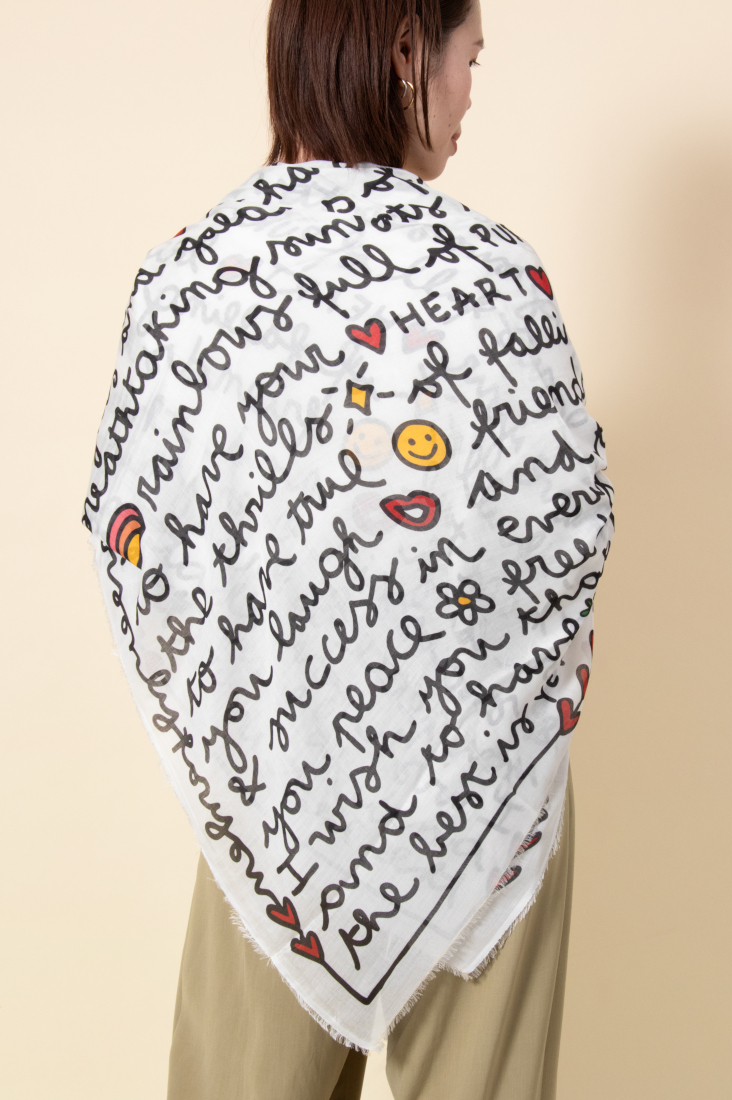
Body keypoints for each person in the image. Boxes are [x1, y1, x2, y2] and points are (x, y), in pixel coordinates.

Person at [82, 1, 613, 1097]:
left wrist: (264, 692)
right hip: (488, 793)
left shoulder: (196, 279)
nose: (470, 94)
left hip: (278, 787)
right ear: (408, 50)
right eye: (470, 58)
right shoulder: (494, 278)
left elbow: (140, 532)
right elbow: (572, 525)